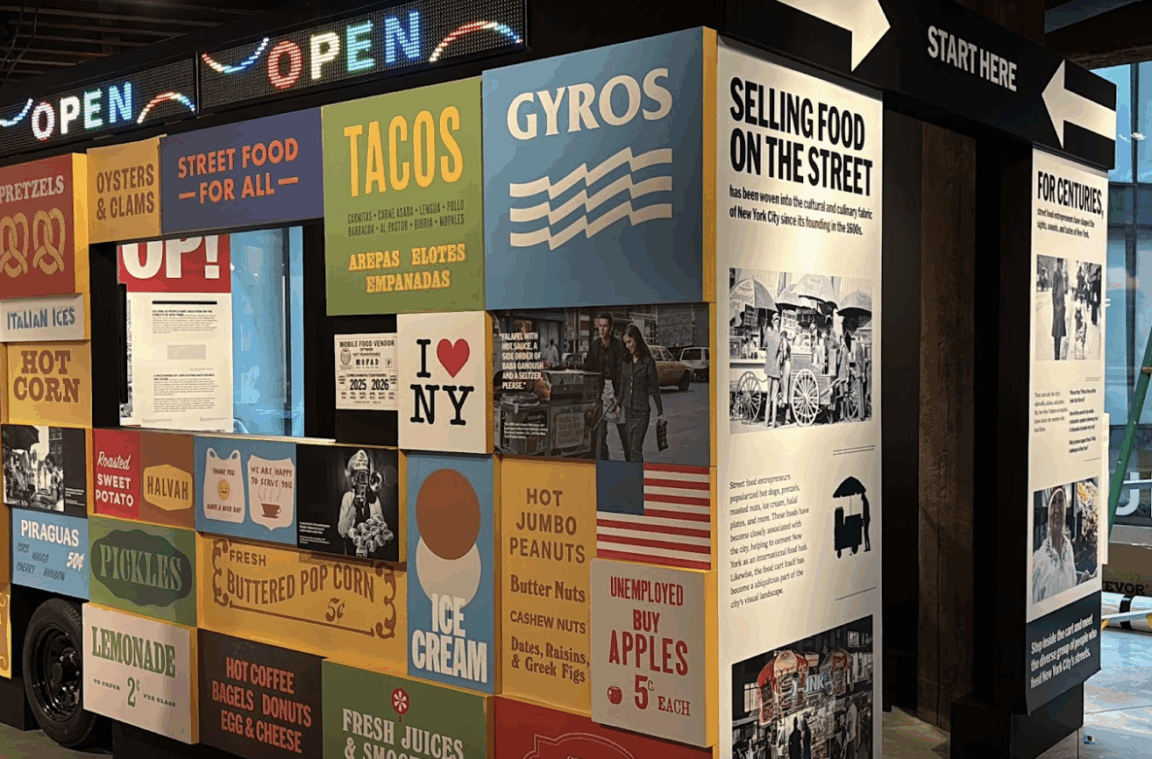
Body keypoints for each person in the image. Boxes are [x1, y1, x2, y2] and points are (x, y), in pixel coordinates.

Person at [615, 324, 666, 462]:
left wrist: (660, 412)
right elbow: (623, 384)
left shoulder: (648, 362)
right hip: (628, 411)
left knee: (635, 449)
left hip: (642, 413)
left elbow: (654, 388)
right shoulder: (626, 361)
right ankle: (636, 472)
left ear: (636, 339)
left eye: (629, 342)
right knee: (631, 449)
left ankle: (636, 474)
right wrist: (619, 404)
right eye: (625, 343)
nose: (627, 346)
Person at [586, 312, 629, 460]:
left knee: (624, 433)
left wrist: (620, 398)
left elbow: (624, 372)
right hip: (601, 393)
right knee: (600, 434)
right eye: (600, 326)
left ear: (611, 328)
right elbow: (588, 368)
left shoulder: (619, 346)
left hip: (617, 392)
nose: (602, 329)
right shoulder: (594, 346)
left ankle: (631, 462)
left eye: (605, 326)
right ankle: (604, 462)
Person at [336, 449, 391, 558]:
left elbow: (383, 528)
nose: (363, 479)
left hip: (371, 552)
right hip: (352, 552)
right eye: (360, 475)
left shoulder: (374, 499)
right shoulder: (347, 497)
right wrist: (353, 506)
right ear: (353, 479)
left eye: (365, 475)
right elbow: (342, 532)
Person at [1032, 486, 1078, 601]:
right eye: (1053, 503)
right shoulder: (1039, 561)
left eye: (1060, 501)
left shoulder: (1068, 549)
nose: (1057, 510)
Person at [762, 314, 781, 428]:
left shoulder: (768, 334)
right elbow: (782, 353)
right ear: (778, 323)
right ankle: (773, 423)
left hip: (769, 368)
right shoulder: (780, 336)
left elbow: (764, 344)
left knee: (768, 397)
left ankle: (766, 422)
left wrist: (766, 329)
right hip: (776, 370)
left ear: (773, 323)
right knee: (775, 397)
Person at [1051, 259, 1067, 360]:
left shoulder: (1060, 274)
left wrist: (1063, 305)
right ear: (1058, 263)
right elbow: (1054, 291)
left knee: (1059, 332)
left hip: (1061, 307)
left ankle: (1057, 355)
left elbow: (1062, 291)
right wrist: (1056, 306)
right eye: (1060, 263)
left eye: (1062, 263)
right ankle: (1056, 356)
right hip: (1058, 308)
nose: (1061, 265)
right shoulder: (1056, 273)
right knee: (1057, 331)